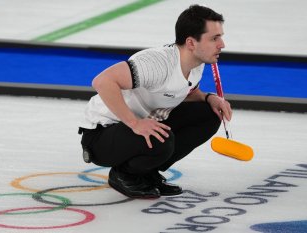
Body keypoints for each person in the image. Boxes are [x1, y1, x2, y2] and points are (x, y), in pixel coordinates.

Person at [78, 4, 232, 199]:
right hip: (102, 133)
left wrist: (209, 98)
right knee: (163, 141)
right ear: (191, 43)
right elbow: (103, 81)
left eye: (221, 36)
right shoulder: (157, 63)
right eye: (214, 38)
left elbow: (182, 91)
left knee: (208, 115)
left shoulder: (195, 63)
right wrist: (134, 123)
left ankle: (147, 172)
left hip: (140, 124)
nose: (222, 44)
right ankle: (125, 174)